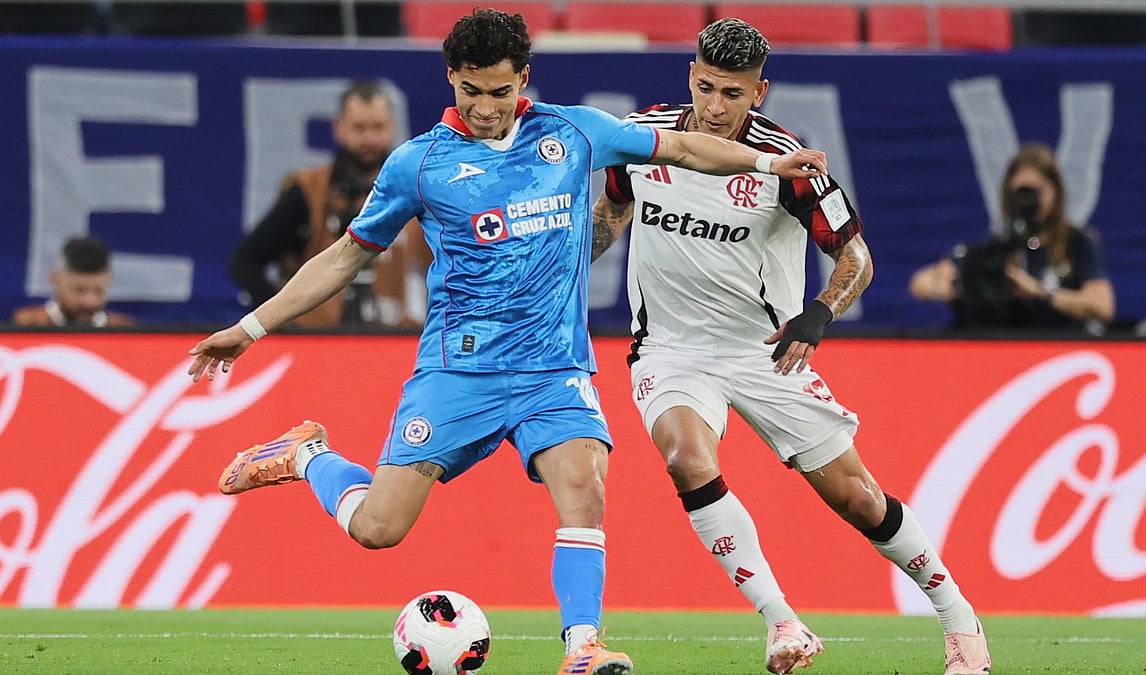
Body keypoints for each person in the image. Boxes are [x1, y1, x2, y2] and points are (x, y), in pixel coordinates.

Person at [186, 9, 825, 675]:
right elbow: (345, 257)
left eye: (499, 91)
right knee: (378, 529)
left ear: (523, 77)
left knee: (584, 483)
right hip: (458, 370)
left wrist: (770, 163)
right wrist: (250, 326)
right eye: (470, 91)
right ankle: (306, 453)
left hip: (554, 368)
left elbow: (688, 148)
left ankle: (583, 646)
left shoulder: (573, 132)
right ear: (450, 79)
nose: (485, 108)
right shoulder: (421, 163)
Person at [590, 18, 990, 675]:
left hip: (768, 349)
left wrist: (821, 312)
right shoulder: (644, 140)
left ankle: (958, 618)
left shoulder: (786, 162)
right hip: (671, 349)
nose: (717, 107)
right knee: (687, 458)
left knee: (858, 497)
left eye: (734, 94)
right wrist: (569, 261)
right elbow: (610, 218)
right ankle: (782, 623)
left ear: (761, 92)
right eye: (707, 87)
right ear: (691, 73)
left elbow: (856, 257)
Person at [228, 81, 430, 330]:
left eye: (378, 127)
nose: (369, 138)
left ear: (393, 128)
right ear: (339, 129)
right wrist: (284, 325)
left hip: (393, 341)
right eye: (359, 128)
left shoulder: (414, 193)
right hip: (319, 343)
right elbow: (245, 262)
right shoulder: (308, 192)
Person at [909, 142, 1115, 333]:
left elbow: (1103, 306)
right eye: (1021, 192)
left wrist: (1041, 293)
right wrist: (942, 286)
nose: (1029, 201)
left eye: (1037, 191)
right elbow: (920, 283)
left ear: (1055, 191)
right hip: (1006, 345)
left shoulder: (1078, 242)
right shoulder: (1001, 243)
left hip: (1059, 347)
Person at [12, 235, 135, 328]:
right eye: (79, 290)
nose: (89, 301)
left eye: (99, 291)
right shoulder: (27, 325)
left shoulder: (122, 330)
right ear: (55, 279)